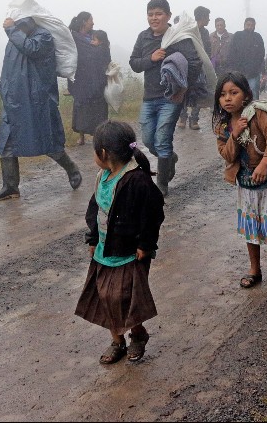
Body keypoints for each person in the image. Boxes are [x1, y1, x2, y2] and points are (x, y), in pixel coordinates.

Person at [74, 121, 165, 364]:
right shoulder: (102, 177)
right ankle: (117, 341)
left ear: (102, 153)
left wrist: (145, 245)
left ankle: (137, 334)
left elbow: (153, 214)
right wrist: (93, 238)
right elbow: (94, 211)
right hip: (104, 251)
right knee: (105, 297)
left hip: (130, 253)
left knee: (124, 297)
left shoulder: (137, 180)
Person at [0, 16, 82, 201]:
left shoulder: (43, 37)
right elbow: (8, 66)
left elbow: (32, 49)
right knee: (7, 144)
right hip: (13, 100)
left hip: (35, 100)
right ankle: (10, 187)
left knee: (47, 142)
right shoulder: (15, 38)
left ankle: (72, 169)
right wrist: (3, 87)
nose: (17, 23)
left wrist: (11, 30)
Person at [213, 72, 267, 288]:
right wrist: (235, 134)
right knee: (250, 226)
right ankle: (255, 269)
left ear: (245, 95)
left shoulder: (258, 115)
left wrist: (264, 163)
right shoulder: (223, 127)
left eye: (233, 93)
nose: (227, 98)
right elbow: (227, 155)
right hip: (244, 183)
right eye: (223, 94)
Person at [129, 0, 202, 196]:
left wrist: (183, 89)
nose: (154, 18)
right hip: (149, 97)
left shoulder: (178, 37)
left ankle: (162, 184)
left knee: (162, 139)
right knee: (147, 139)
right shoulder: (143, 37)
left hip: (171, 98)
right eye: (150, 14)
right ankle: (169, 158)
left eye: (158, 14)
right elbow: (134, 63)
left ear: (168, 16)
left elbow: (195, 63)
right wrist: (150, 59)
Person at [68, 12, 110, 145]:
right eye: (91, 20)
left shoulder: (96, 35)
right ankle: (81, 136)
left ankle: (98, 136)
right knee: (81, 106)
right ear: (84, 21)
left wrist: (99, 49)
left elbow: (104, 49)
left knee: (98, 108)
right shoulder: (74, 37)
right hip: (81, 78)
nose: (93, 22)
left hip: (96, 78)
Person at [178, 5, 212, 131]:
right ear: (203, 17)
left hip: (200, 67)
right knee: (183, 91)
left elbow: (207, 50)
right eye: (208, 17)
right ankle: (182, 117)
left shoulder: (205, 32)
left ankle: (194, 120)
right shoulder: (188, 29)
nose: (209, 20)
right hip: (186, 67)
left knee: (198, 93)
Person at [227, 17, 265, 100]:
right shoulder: (237, 36)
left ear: (254, 26)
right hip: (239, 73)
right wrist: (232, 69)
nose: (250, 27)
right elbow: (231, 53)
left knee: (253, 94)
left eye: (252, 25)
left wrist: (262, 70)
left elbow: (261, 55)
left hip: (254, 73)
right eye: (248, 25)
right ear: (244, 25)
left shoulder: (258, 37)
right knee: (239, 94)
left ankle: (254, 112)